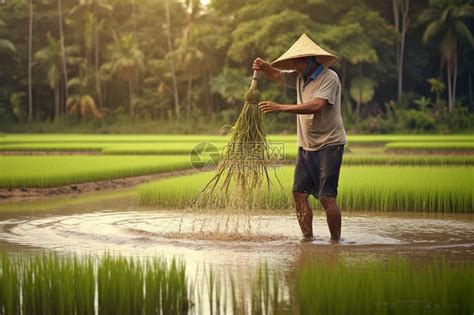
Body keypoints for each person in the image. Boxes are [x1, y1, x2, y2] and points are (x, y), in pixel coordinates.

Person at [252, 33, 346, 242]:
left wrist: (281, 108)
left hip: (329, 145)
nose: (293, 65)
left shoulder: (329, 77)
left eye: (296, 61)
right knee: (299, 193)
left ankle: (336, 243)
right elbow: (276, 75)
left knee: (326, 197)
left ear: (309, 60)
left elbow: (317, 105)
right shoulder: (299, 77)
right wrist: (264, 66)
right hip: (306, 146)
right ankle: (307, 240)